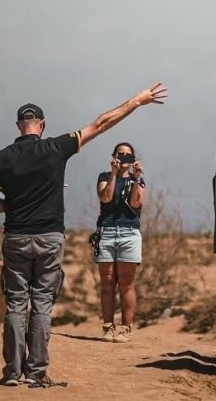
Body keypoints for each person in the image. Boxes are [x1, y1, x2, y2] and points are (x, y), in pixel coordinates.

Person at [0, 83, 167, 387]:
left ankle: (12, 373)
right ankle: (36, 373)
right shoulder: (56, 147)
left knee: (16, 304)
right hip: (49, 237)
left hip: (15, 236)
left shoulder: (1, 158)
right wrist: (137, 100)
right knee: (42, 303)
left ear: (18, 126)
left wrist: (14, 205)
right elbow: (101, 123)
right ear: (41, 126)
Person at [95, 142, 145, 343]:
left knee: (126, 283)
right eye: (120, 154)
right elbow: (105, 198)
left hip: (129, 232)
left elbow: (135, 203)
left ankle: (126, 328)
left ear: (133, 159)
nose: (124, 158)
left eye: (128, 155)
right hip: (106, 232)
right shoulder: (104, 177)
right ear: (113, 156)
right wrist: (114, 174)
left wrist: (137, 178)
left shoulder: (138, 180)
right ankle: (108, 327)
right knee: (107, 283)